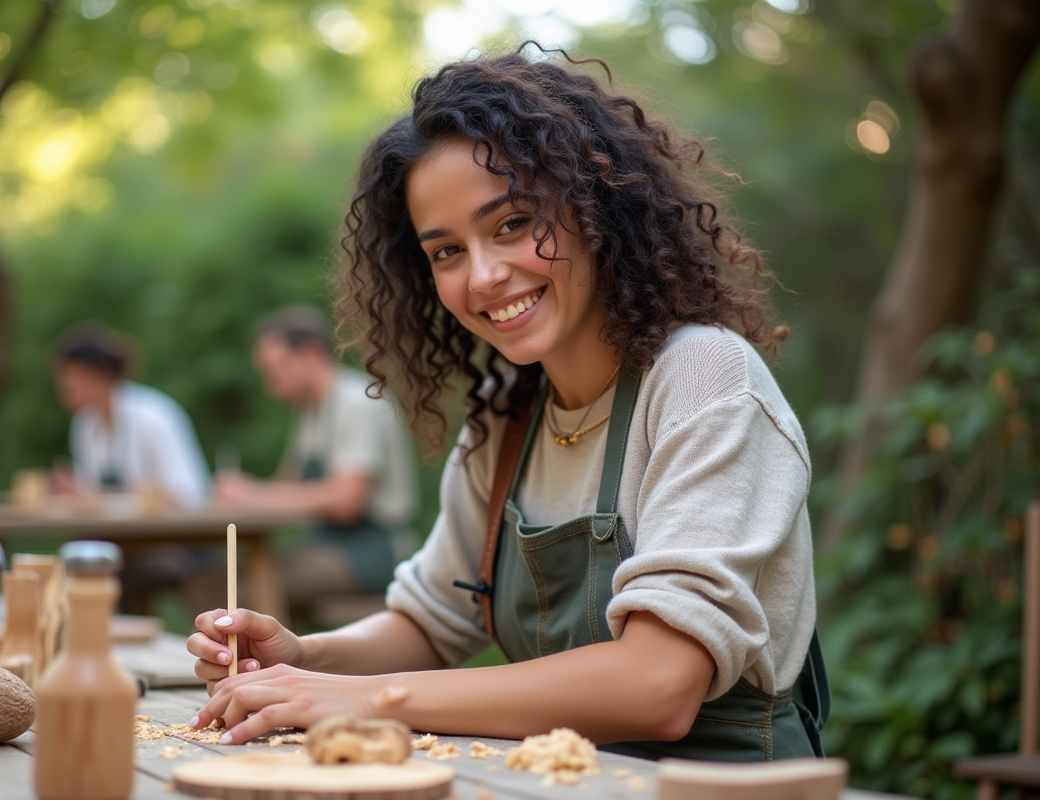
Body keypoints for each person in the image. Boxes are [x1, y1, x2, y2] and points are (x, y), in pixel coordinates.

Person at [185, 48, 828, 762]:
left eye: (514, 223)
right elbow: (430, 626)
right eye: (447, 251)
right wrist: (300, 661)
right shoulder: (505, 417)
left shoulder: (702, 376)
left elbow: (659, 684)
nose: (485, 275)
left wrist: (373, 700)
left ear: (595, 205)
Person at [213, 306, 418, 614]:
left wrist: (253, 495)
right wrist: (245, 493)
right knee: (214, 579)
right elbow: (289, 486)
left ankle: (269, 662)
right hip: (327, 546)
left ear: (309, 354)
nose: (272, 387)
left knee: (247, 591)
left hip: (374, 551)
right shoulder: (310, 411)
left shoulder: (358, 402)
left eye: (276, 372)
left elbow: (347, 501)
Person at [52, 323, 210, 510]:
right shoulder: (84, 424)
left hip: (168, 536)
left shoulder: (153, 416)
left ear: (99, 374)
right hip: (112, 535)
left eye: (69, 380)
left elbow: (192, 494)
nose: (63, 390)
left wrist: (107, 498)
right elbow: (92, 496)